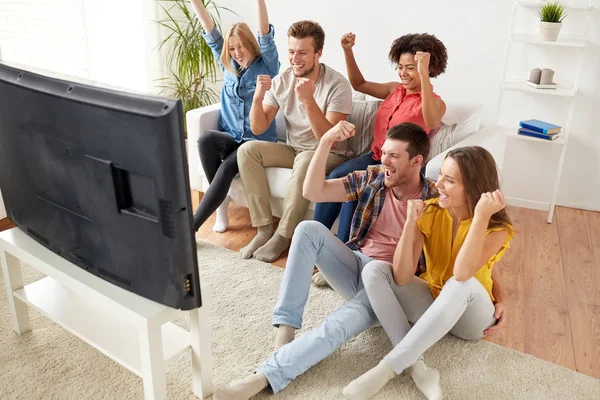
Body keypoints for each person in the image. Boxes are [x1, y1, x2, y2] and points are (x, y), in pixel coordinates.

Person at [211, 122, 507, 400]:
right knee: (308, 229)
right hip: (356, 264)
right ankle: (286, 329)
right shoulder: (376, 179)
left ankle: (264, 376)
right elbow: (313, 192)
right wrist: (325, 141)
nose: (384, 160)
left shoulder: (436, 199)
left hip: (390, 288)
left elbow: (474, 264)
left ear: (417, 162)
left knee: (338, 324)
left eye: (393, 155)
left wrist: (500, 294)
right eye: (383, 153)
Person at [342, 146, 514, 400]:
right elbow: (401, 277)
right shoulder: (432, 211)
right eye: (441, 175)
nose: (439, 184)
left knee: (458, 284)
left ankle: (386, 369)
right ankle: (418, 367)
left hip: (472, 320)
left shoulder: (497, 228)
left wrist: (479, 217)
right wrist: (411, 224)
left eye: (450, 180)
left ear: (473, 187)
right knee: (375, 270)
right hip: (434, 302)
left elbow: (464, 272)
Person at [313, 32, 448, 245]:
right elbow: (358, 84)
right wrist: (347, 51)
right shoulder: (394, 90)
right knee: (338, 175)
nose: (403, 73)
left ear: (427, 68)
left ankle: (346, 253)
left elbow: (431, 120)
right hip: (375, 157)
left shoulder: (435, 103)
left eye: (410, 67)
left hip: (402, 166)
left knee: (356, 193)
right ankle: (315, 242)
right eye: (400, 66)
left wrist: (422, 74)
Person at [190, 0, 280, 233]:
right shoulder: (227, 66)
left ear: (251, 44)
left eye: (241, 46)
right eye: (232, 49)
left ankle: (190, 228)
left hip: (255, 142)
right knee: (205, 138)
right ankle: (220, 203)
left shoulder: (267, 65)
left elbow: (264, 33)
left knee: (228, 166)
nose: (237, 53)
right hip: (231, 138)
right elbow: (211, 32)